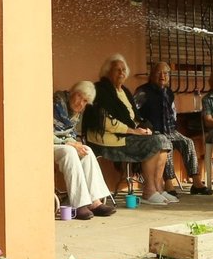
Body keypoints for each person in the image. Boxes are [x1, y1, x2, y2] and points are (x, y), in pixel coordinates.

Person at [83, 53, 173, 206]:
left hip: (125, 136)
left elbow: (134, 118)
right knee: (155, 142)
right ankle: (149, 191)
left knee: (163, 140)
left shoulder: (124, 91)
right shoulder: (100, 91)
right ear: (107, 72)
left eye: (123, 70)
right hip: (107, 140)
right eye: (117, 70)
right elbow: (104, 122)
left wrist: (144, 129)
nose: (121, 73)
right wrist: (133, 131)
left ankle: (158, 187)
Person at [133, 62, 209, 195]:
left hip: (169, 130)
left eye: (166, 73)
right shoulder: (143, 91)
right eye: (159, 73)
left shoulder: (168, 92)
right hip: (153, 131)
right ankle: (168, 182)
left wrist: (172, 125)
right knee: (166, 144)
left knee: (188, 142)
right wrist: (143, 127)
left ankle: (196, 182)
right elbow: (133, 112)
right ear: (152, 74)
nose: (162, 76)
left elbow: (173, 112)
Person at [52, 82, 116, 218]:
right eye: (79, 97)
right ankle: (79, 204)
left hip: (65, 143)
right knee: (69, 152)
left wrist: (75, 143)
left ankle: (95, 201)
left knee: (86, 150)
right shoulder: (56, 103)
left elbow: (70, 133)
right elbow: (43, 130)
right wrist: (68, 143)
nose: (81, 103)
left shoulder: (76, 113)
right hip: (48, 142)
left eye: (85, 101)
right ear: (72, 92)